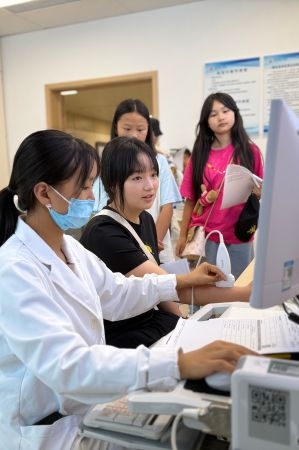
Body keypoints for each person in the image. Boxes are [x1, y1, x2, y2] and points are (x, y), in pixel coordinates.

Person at [0, 129, 256, 450]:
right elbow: (68, 366)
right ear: (44, 193)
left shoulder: (68, 247)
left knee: (190, 424)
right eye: (82, 187)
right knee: (188, 435)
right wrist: (177, 363)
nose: (89, 197)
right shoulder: (16, 269)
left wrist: (180, 281)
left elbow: (118, 293)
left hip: (83, 405)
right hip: (45, 430)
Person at [80, 136, 252, 348]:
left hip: (151, 321)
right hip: (126, 336)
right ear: (113, 184)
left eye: (153, 175)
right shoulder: (104, 232)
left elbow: (161, 291)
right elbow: (174, 288)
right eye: (137, 178)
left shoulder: (145, 219)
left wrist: (183, 323)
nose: (150, 186)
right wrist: (246, 294)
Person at [176, 92, 264, 279]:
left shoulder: (251, 151)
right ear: (206, 121)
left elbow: (261, 191)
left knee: (239, 285)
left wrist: (260, 191)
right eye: (213, 114)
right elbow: (190, 199)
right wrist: (182, 236)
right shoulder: (199, 154)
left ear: (235, 114)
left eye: (225, 111)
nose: (221, 117)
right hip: (205, 236)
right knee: (207, 287)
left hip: (240, 233)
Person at [93, 99, 182, 263]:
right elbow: (102, 207)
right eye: (127, 129)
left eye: (140, 129)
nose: (134, 135)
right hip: (122, 239)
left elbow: (167, 206)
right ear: (116, 127)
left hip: (154, 241)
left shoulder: (160, 161)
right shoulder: (108, 164)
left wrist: (152, 241)